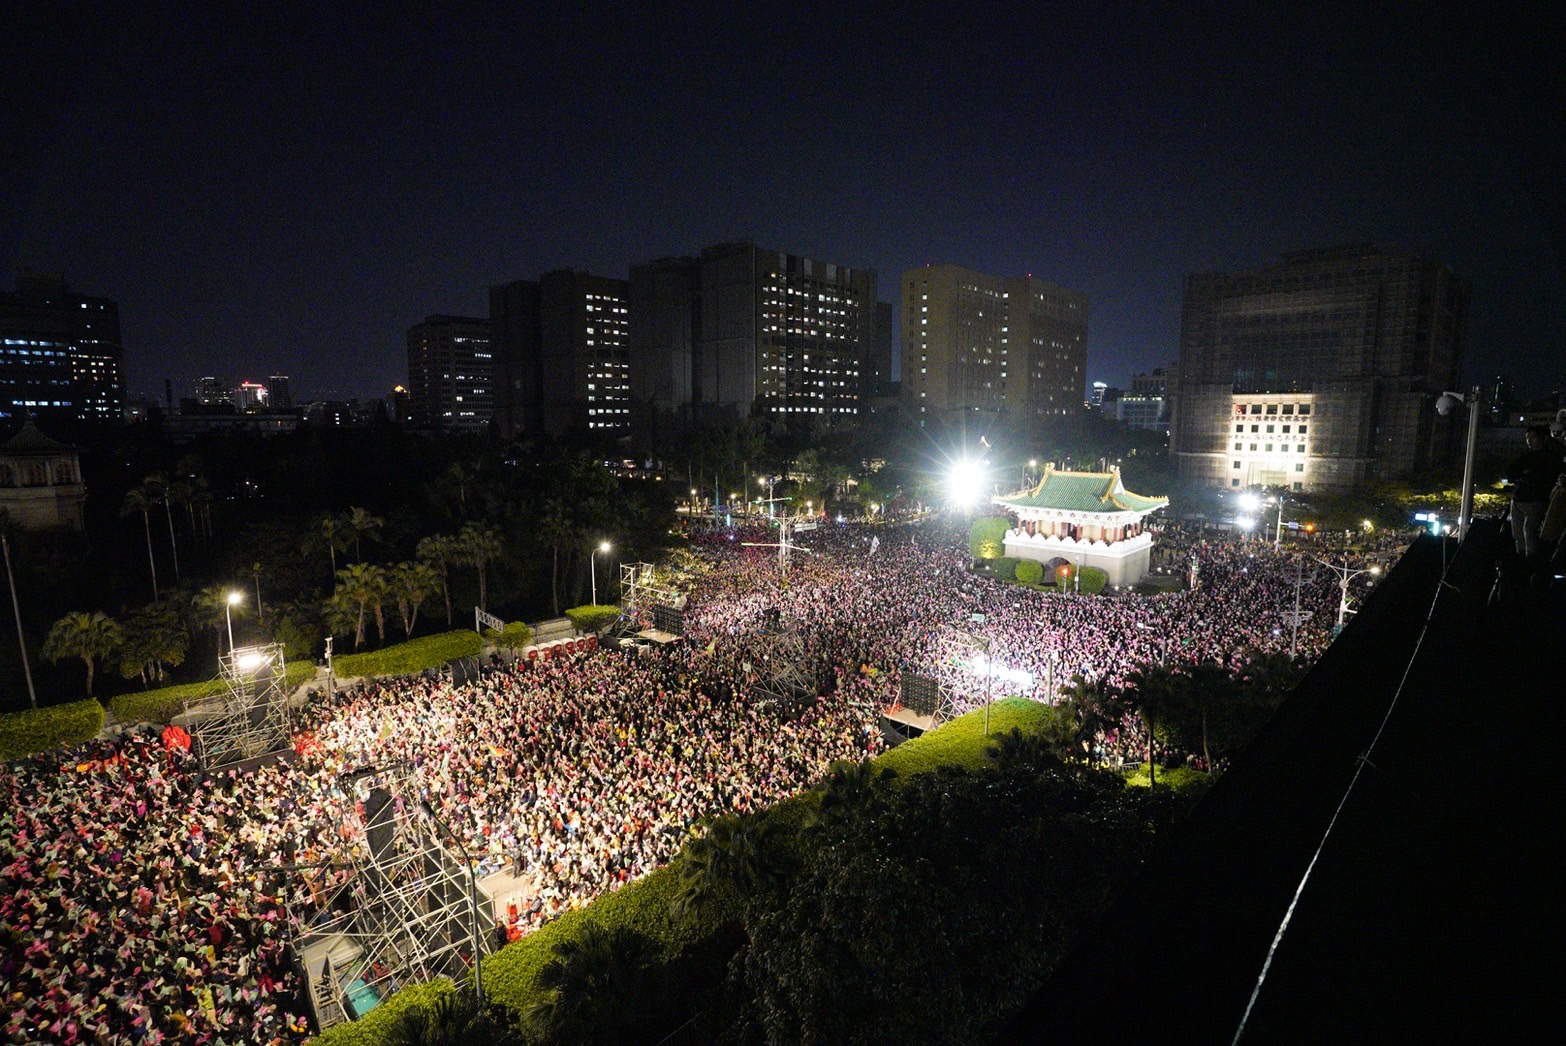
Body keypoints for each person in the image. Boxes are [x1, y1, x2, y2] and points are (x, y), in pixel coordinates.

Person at [1505, 426, 1564, 560]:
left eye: (1533, 437)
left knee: (1529, 533)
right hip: (1520, 499)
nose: (1529, 441)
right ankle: (1523, 561)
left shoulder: (1550, 457)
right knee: (1519, 534)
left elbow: (1542, 477)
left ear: (1543, 438)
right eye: (1527, 438)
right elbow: (1510, 472)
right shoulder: (1527, 456)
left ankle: (1530, 563)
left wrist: (1525, 475)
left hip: (1535, 500)